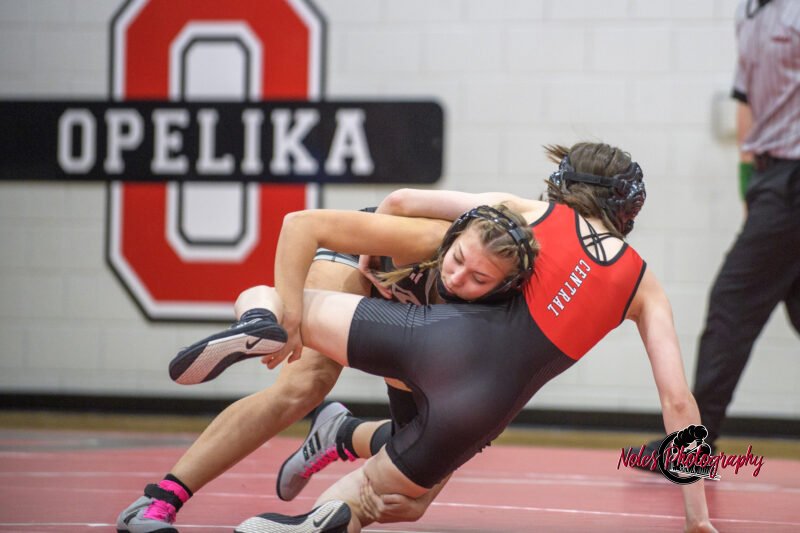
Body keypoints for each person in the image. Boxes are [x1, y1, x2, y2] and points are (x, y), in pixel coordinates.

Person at [183, 142, 713, 532]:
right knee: (394, 500)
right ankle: (324, 508)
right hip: (483, 408)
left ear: (565, 184)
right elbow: (677, 401)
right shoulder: (645, 286)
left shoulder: (529, 214)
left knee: (285, 300)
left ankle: (261, 316)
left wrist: (372, 269)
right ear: (627, 212)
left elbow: (400, 199)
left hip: (425, 335)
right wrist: (697, 521)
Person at [116, 205, 538, 532]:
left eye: (478, 278)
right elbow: (300, 224)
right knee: (302, 386)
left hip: (420, 330)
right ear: (456, 236)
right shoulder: (427, 237)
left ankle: (339, 433)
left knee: (422, 439)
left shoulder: (496, 324)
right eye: (458, 257)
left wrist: (426, 491)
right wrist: (295, 317)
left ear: (502, 288)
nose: (458, 277)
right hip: (362, 267)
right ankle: (159, 499)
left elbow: (463, 434)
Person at [636, 0, 800, 462]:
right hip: (773, 178)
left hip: (794, 177)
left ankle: (693, 444)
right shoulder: (748, 11)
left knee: (733, 300)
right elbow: (746, 97)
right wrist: (751, 182)